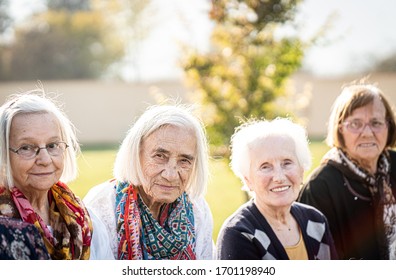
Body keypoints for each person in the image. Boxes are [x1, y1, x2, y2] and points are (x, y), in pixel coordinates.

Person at [83, 104, 214, 260]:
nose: (171, 175)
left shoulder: (198, 209)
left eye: (184, 160)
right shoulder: (102, 206)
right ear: (136, 153)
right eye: (160, 156)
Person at [0, 91, 113, 260]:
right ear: (3, 155)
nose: (45, 160)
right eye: (26, 147)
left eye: (52, 145)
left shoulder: (85, 219)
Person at [298, 82, 396, 260]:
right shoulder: (320, 187)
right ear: (340, 129)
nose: (367, 133)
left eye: (376, 122)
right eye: (355, 124)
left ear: (388, 127)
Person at [216, 118, 337, 260]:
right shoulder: (238, 234)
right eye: (265, 167)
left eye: (287, 163)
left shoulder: (316, 221)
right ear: (248, 180)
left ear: (301, 171)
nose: (279, 177)